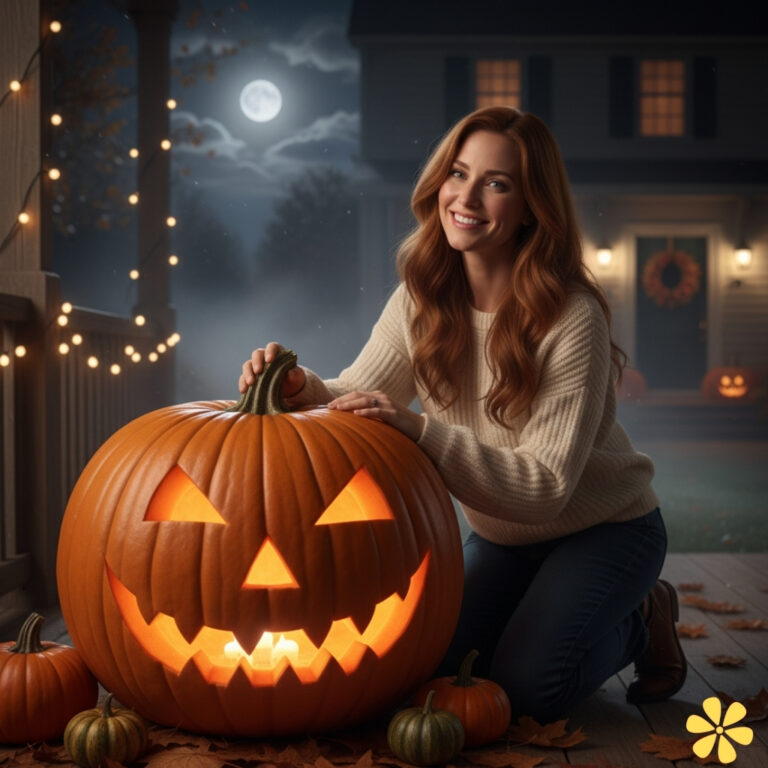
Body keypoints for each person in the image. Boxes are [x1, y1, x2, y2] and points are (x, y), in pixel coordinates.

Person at [238, 106, 686, 721]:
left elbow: (546, 488)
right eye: (458, 173)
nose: (466, 196)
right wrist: (299, 388)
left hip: (605, 531)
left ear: (532, 206)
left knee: (527, 690)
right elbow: (359, 394)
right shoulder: (421, 297)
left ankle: (641, 621)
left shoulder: (572, 315)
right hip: (502, 535)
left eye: (496, 183)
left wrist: (419, 429)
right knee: (433, 669)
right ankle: (566, 611)